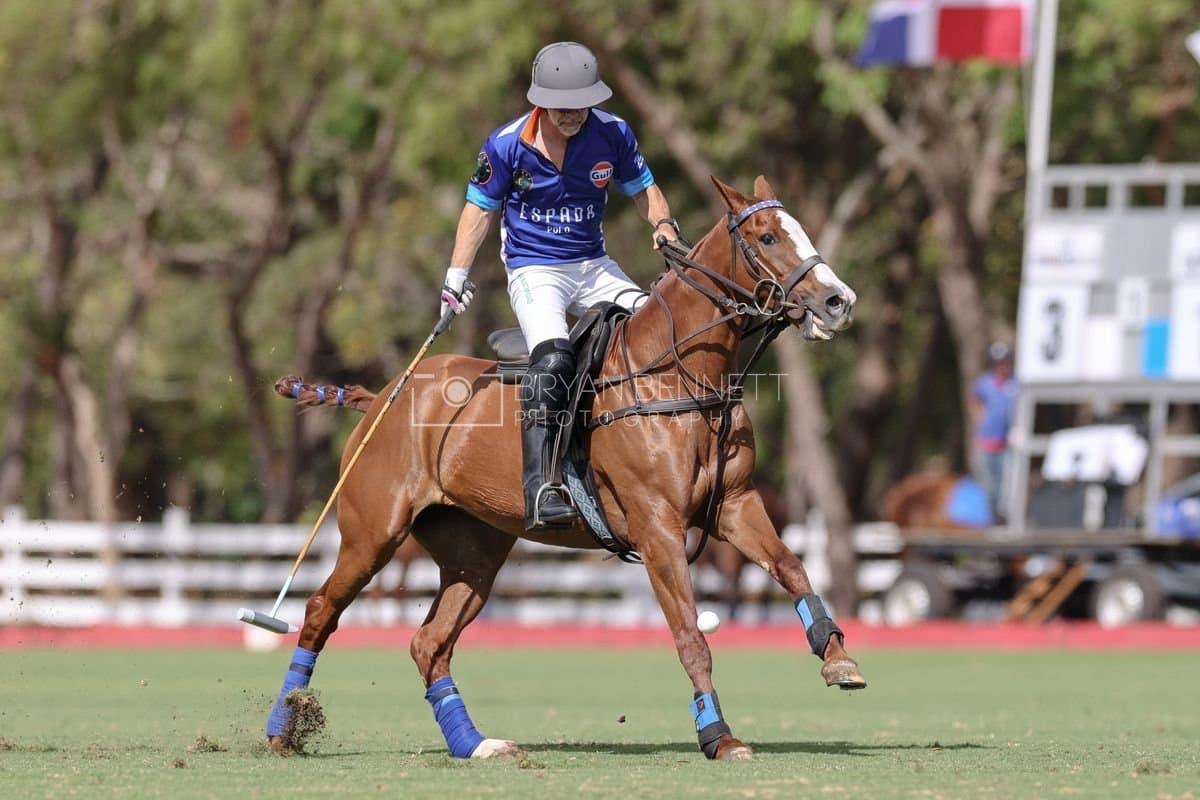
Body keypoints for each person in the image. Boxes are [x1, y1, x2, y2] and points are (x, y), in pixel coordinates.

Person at [437, 41, 678, 530]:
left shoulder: (613, 133)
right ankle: (541, 484)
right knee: (554, 358)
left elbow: (644, 188)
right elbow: (478, 212)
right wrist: (455, 279)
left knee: (661, 329)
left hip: (593, 265)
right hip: (534, 269)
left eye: (581, 104)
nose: (572, 115)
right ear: (540, 100)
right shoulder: (505, 145)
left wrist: (664, 225)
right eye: (562, 106)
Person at [968, 342, 1018, 522]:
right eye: (999, 362)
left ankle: (1006, 522)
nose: (1003, 366)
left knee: (1008, 488)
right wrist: (979, 418)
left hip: (1009, 445)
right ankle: (991, 524)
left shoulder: (1016, 382)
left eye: (1006, 361)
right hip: (987, 443)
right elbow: (974, 399)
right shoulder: (985, 382)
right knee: (990, 488)